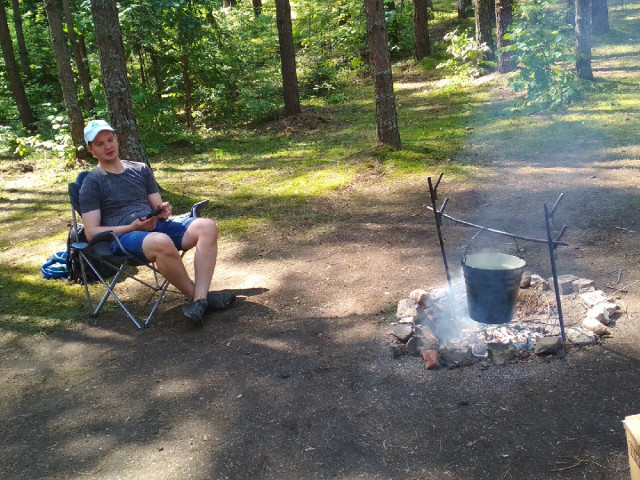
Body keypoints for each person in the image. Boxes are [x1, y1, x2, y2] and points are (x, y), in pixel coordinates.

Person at [79, 119, 235, 325]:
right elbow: (91, 232)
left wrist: (162, 212)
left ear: (116, 139)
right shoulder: (92, 182)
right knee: (160, 240)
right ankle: (199, 298)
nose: (108, 146)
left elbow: (159, 207)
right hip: (123, 237)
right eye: (99, 144)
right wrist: (132, 226)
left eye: (110, 140)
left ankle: (199, 300)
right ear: (91, 150)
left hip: (153, 228)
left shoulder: (140, 169)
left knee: (207, 226)